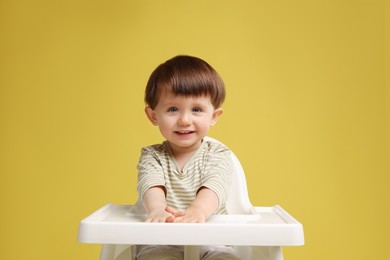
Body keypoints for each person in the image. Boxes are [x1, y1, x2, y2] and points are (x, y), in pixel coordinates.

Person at [135, 55, 240, 259]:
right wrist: (157, 210)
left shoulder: (218, 154)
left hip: (213, 239)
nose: (184, 120)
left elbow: (215, 184)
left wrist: (198, 210)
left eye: (197, 110)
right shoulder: (152, 156)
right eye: (173, 109)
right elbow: (150, 184)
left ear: (213, 116)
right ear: (154, 115)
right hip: (163, 238)